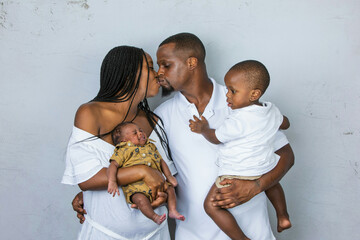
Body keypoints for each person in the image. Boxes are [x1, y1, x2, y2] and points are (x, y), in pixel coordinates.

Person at [72, 33, 294, 240]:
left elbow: (286, 155)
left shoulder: (244, 105)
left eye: (166, 65)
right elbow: (139, 161)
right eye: (157, 66)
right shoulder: (160, 117)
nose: (160, 73)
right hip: (192, 234)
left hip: (252, 231)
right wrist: (93, 198)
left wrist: (256, 186)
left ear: (191, 63)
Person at [62, 46, 176, 239]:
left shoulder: (153, 120)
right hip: (104, 234)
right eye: (150, 67)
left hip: (156, 234)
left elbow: (165, 177)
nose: (157, 74)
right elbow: (87, 179)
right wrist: (143, 171)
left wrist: (163, 193)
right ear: (128, 74)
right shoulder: (90, 113)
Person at [189, 60, 292, 239]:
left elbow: (216, 138)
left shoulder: (238, 120)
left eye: (233, 91)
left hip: (237, 172)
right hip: (263, 165)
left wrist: (203, 129)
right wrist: (274, 122)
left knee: (211, 206)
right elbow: (286, 123)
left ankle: (241, 238)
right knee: (273, 183)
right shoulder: (271, 110)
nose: (227, 95)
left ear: (254, 94)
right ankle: (283, 216)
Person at [107, 122, 185, 225]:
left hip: (159, 184)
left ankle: (172, 210)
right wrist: (112, 181)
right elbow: (113, 165)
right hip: (137, 188)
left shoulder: (150, 146)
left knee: (170, 190)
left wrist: (169, 176)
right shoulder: (124, 150)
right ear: (123, 140)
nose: (140, 133)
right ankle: (154, 217)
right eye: (135, 133)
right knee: (140, 199)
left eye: (140, 130)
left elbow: (161, 162)